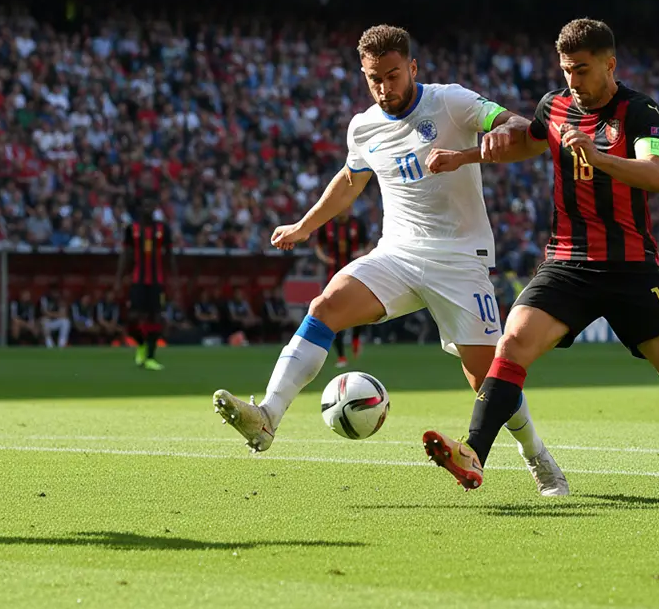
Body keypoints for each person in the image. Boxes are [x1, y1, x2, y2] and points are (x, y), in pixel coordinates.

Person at [420, 19, 659, 500]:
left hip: (632, 268)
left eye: (583, 69)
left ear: (610, 65)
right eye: (566, 70)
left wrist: (598, 156)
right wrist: (463, 157)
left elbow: (657, 175)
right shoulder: (554, 106)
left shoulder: (639, 111)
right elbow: (529, 142)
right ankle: (473, 453)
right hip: (567, 262)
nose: (573, 80)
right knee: (512, 345)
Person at [212, 24, 569, 497]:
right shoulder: (363, 127)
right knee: (324, 307)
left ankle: (537, 455)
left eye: (393, 75)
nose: (384, 87)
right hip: (397, 254)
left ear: (412, 67)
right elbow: (349, 181)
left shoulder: (451, 101)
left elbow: (521, 129)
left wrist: (490, 139)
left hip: (459, 260)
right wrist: (304, 226)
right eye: (374, 78)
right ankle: (267, 416)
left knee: (488, 378)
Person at [116, 197, 177, 370]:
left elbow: (169, 255)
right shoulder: (132, 229)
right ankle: (141, 344)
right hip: (138, 280)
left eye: (151, 206)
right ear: (140, 208)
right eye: (145, 205)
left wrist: (173, 278)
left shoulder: (163, 229)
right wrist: (119, 278)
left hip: (157, 282)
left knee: (156, 317)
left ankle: (150, 357)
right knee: (132, 317)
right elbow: (126, 255)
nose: (148, 209)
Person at [315, 210, 367, 367]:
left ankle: (356, 337)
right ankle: (341, 356)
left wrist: (362, 252)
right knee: (334, 314)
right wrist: (325, 258)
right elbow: (318, 246)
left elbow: (368, 244)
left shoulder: (357, 223)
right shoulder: (327, 225)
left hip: (355, 274)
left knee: (360, 309)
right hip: (334, 276)